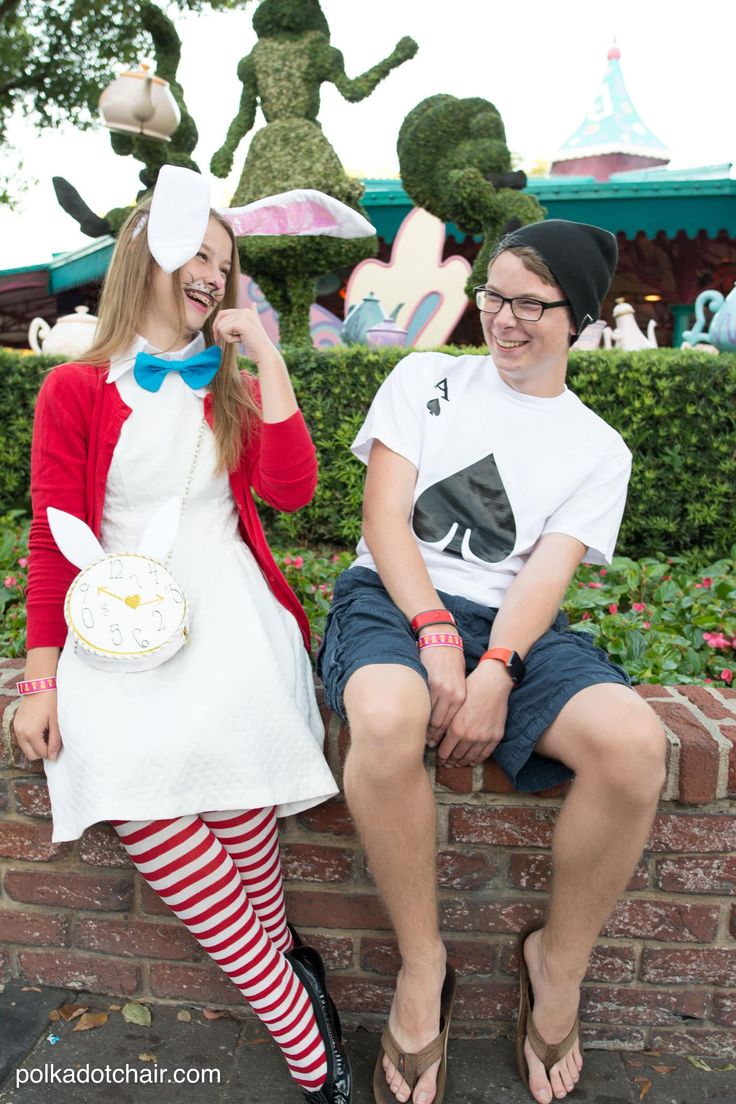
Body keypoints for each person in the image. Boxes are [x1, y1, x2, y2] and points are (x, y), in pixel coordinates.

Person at [13, 174, 352, 1104]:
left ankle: (295, 1010)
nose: (212, 276)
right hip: (120, 621)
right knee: (142, 796)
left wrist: (270, 369)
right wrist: (38, 679)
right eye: (197, 254)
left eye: (225, 263)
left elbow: (290, 494)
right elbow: (51, 537)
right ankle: (296, 1003)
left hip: (231, 616)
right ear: (149, 255)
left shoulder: (227, 385)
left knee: (238, 800)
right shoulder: (76, 391)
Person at [317, 219, 667, 1104]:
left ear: (580, 317)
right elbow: (384, 519)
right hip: (392, 598)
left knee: (634, 745)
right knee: (389, 718)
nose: (505, 320)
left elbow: (545, 573)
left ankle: (556, 967)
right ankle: (423, 965)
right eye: (494, 296)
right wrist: (434, 630)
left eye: (532, 304)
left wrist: (498, 666)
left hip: (514, 622)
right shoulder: (425, 378)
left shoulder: (598, 448)